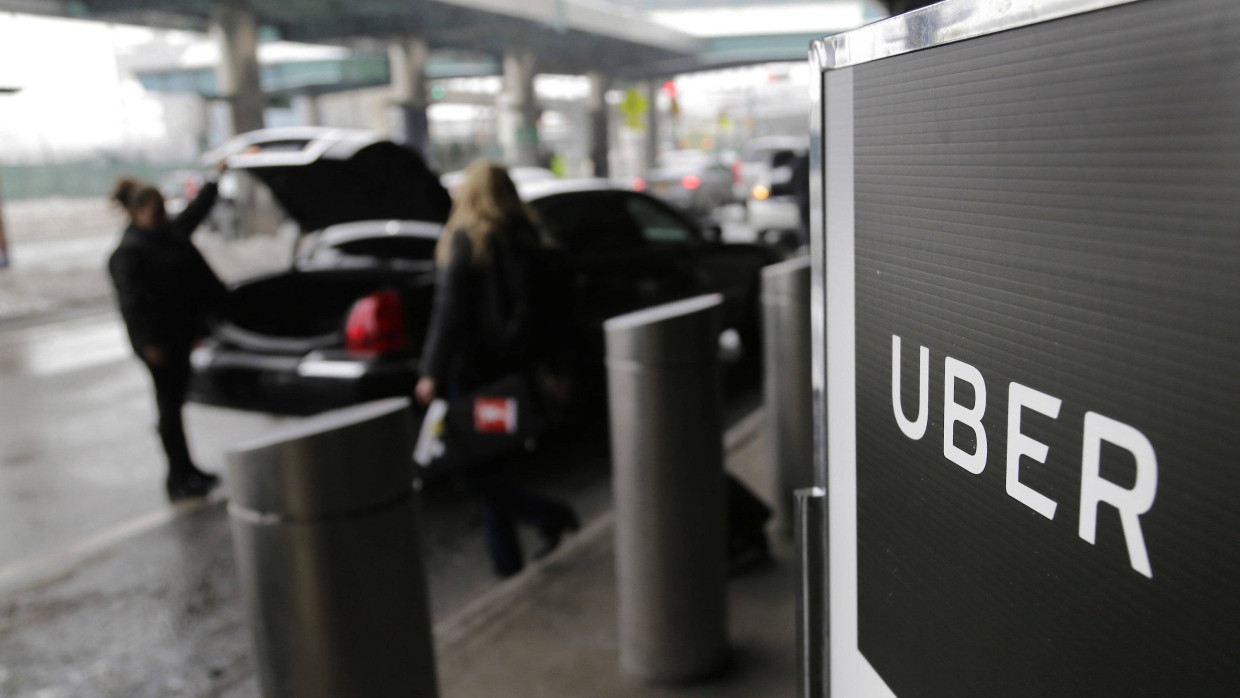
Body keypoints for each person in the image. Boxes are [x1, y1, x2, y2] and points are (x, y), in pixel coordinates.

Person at [416, 160, 579, 578]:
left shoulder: (467, 241)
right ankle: (507, 565)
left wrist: (431, 370)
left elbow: (449, 312)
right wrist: (555, 367)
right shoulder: (530, 237)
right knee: (492, 463)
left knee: (472, 473)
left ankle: (550, 516)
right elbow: (552, 313)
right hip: (510, 376)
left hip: (472, 376)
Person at [108, 164, 229, 501]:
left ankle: (187, 470)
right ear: (134, 212)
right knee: (169, 408)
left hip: (178, 335)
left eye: (163, 208)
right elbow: (131, 306)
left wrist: (215, 180)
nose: (161, 214)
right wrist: (149, 344)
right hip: (158, 343)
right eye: (154, 209)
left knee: (174, 404)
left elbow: (197, 211)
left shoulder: (167, 234)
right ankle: (178, 476)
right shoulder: (129, 253)